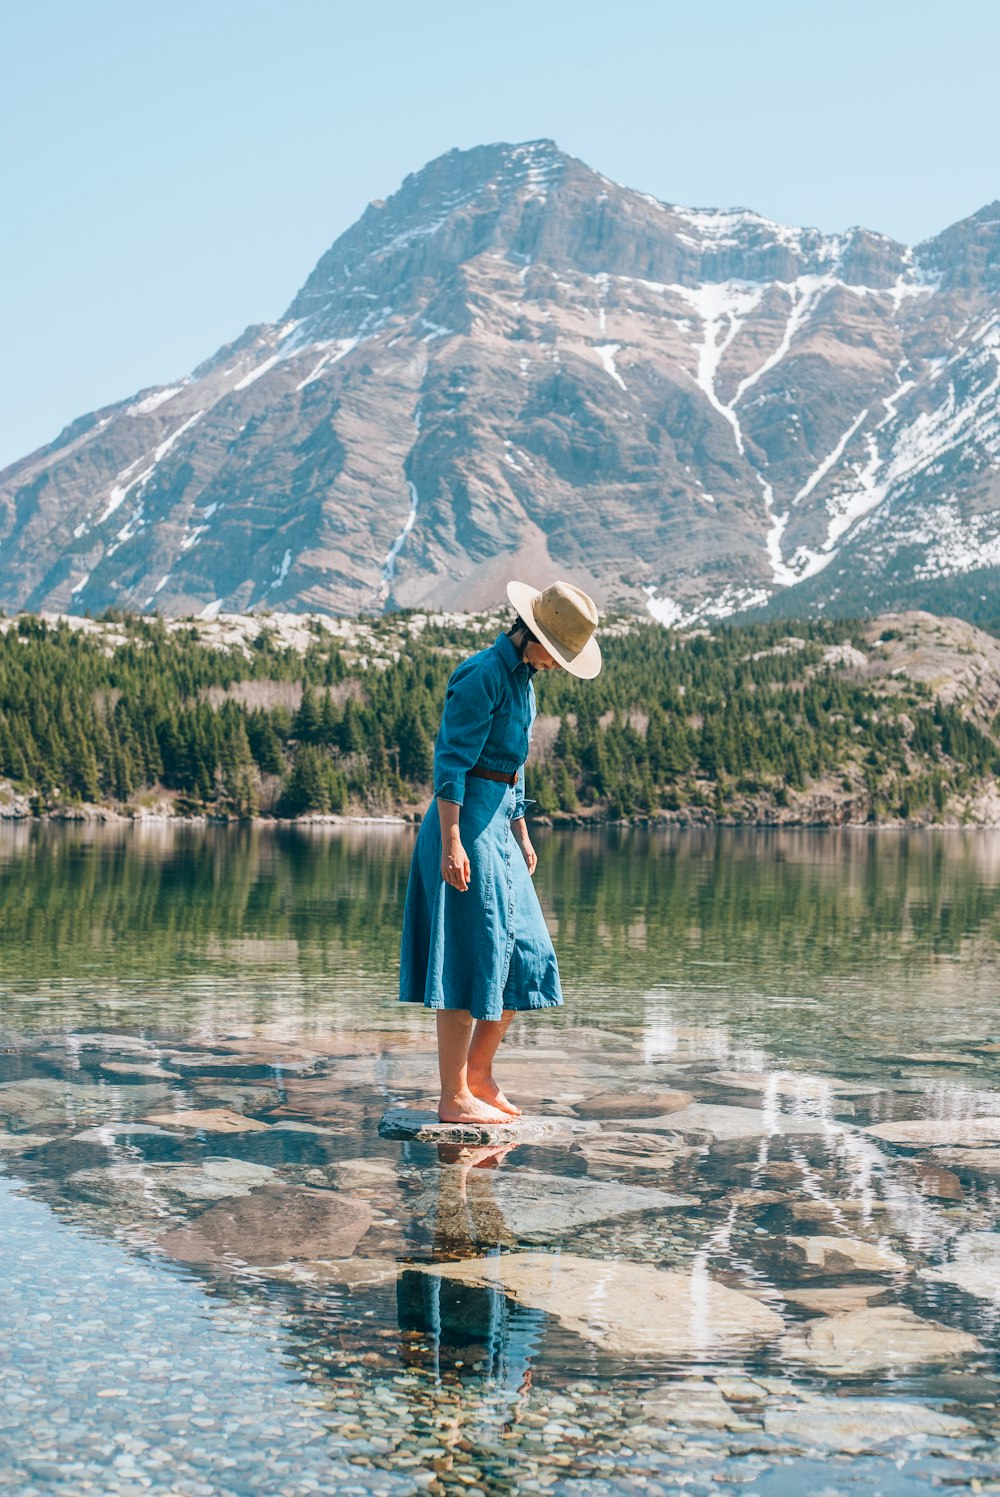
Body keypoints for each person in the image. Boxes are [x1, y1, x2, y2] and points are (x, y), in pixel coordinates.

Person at [399, 579, 602, 1124]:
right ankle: (453, 1096)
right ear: (532, 634)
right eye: (558, 652)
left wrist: (522, 832)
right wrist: (451, 841)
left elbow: (512, 767)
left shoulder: (526, 682)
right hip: (464, 827)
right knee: (468, 959)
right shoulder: (481, 674)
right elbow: (452, 762)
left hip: (498, 829)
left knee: (528, 956)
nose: (560, 664)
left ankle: (480, 1074)